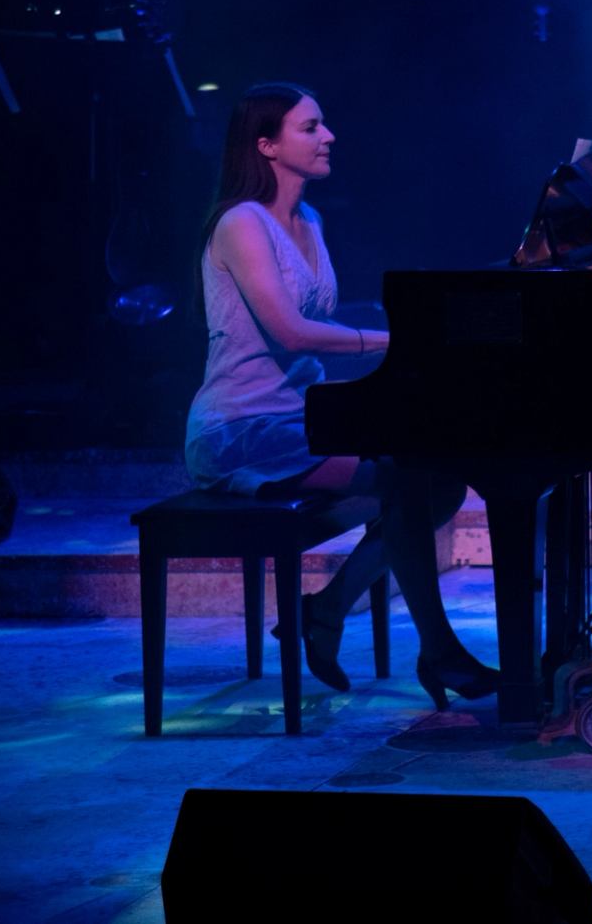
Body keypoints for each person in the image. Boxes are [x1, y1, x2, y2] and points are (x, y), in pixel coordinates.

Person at [184, 82, 496, 710]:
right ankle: (437, 651)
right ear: (265, 145)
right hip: (242, 429)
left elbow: (328, 327)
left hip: (303, 416)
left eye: (323, 125)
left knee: (442, 484)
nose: (329, 137)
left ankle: (325, 609)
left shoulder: (311, 221)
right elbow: (291, 330)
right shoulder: (242, 224)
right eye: (311, 127)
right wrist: (398, 341)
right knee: (408, 480)